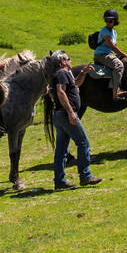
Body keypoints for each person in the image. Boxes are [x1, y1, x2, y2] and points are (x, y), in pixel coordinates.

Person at [51, 51, 100, 189]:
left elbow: (75, 84)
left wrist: (83, 73)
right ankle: (85, 176)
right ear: (62, 62)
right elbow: (61, 92)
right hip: (66, 115)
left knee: (61, 150)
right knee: (83, 142)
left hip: (60, 116)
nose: (70, 61)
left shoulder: (66, 74)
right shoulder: (61, 73)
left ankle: (59, 181)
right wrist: (71, 112)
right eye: (68, 59)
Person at [92, 8, 127, 100]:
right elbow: (112, 46)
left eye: (110, 21)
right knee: (119, 65)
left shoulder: (114, 32)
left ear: (115, 21)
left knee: (125, 62)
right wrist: (123, 53)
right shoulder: (105, 30)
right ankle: (115, 93)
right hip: (101, 54)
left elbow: (115, 46)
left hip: (108, 54)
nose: (108, 22)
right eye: (106, 20)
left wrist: (120, 55)